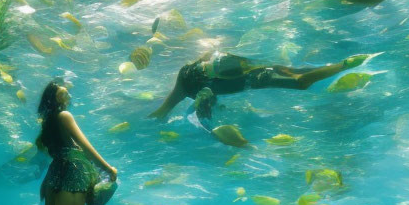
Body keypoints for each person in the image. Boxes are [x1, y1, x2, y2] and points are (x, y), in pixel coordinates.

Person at [149, 50, 370, 120]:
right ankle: (340, 64)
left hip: (206, 84)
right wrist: (344, 65)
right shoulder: (251, 78)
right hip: (216, 85)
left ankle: (336, 65)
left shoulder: (186, 75)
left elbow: (302, 84)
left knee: (289, 72)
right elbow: (301, 82)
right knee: (289, 72)